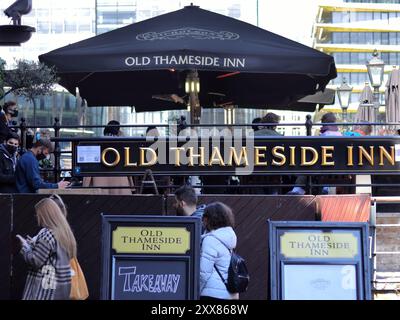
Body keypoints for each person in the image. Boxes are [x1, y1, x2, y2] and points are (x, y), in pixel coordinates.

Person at [16, 197, 77, 300]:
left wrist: (25, 247)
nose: (37, 216)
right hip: (61, 288)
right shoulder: (64, 232)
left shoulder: (47, 234)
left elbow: (36, 261)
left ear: (45, 215)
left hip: (44, 291)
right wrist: (34, 245)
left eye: (38, 214)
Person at [199, 202, 239, 300]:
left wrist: (195, 291)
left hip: (212, 294)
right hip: (230, 293)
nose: (202, 220)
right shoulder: (228, 237)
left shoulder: (211, 240)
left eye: (203, 217)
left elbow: (203, 273)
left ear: (208, 219)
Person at [83, 121, 134, 195]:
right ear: (118, 132)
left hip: (100, 183)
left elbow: (89, 167)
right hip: (120, 183)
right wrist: (132, 186)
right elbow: (128, 165)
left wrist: (85, 185)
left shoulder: (96, 143)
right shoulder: (122, 145)